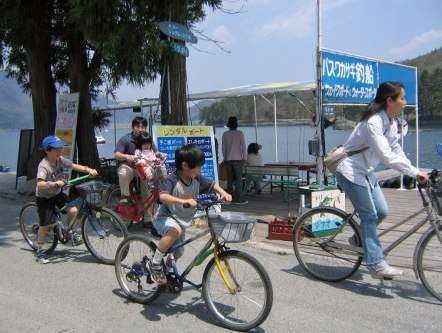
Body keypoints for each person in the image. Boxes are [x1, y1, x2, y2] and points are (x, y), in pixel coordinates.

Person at [335, 81, 428, 279]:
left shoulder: (392, 122)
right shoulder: (373, 122)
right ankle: (376, 264)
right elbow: (386, 157)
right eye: (402, 98)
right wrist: (413, 173)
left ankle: (357, 239)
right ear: (389, 100)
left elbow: (396, 150)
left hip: (366, 172)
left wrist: (415, 170)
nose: (405, 103)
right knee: (369, 216)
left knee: (382, 212)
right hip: (350, 172)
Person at [151, 144, 232, 284]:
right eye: (198, 167)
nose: (200, 170)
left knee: (178, 252)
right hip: (165, 218)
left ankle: (166, 270)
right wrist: (183, 201)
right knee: (175, 230)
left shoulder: (196, 178)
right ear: (185, 165)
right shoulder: (171, 179)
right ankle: (155, 264)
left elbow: (212, 185)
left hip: (182, 221)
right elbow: (162, 197)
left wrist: (224, 193)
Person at [35, 135, 98, 264]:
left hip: (57, 194)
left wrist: (88, 169)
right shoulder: (44, 166)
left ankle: (69, 232)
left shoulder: (60, 159)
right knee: (45, 225)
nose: (60, 151)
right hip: (44, 197)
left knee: (73, 210)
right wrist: (54, 183)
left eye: (60, 148)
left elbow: (73, 166)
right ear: (48, 150)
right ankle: (40, 251)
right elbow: (39, 184)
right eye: (57, 149)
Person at [114, 116, 149, 203]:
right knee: (123, 172)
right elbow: (116, 154)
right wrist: (127, 157)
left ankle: (148, 213)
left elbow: (155, 152)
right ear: (133, 127)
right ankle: (125, 196)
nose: (140, 129)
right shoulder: (125, 139)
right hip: (128, 166)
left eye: (143, 127)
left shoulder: (147, 139)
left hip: (142, 167)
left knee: (147, 188)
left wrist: (158, 155)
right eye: (138, 127)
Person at [222, 116, 248, 204]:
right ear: (236, 124)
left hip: (228, 160)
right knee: (238, 180)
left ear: (228, 124)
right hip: (238, 160)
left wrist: (225, 158)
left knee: (230, 180)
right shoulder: (240, 133)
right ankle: (239, 199)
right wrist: (244, 158)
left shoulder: (225, 134)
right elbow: (243, 147)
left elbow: (223, 148)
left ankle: (230, 199)